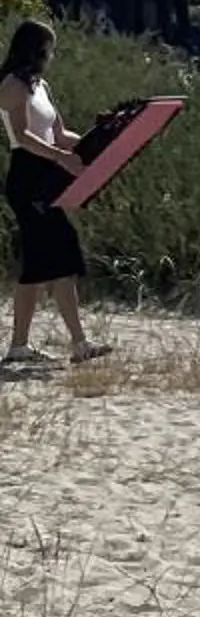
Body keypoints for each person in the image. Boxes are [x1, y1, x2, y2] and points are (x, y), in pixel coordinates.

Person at [1, 19, 110, 370]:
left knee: (36, 264)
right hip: (27, 176)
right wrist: (61, 158)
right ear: (36, 49)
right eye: (50, 48)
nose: (53, 55)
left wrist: (99, 140)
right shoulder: (12, 85)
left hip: (47, 173)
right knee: (63, 250)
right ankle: (79, 343)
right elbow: (23, 137)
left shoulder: (42, 86)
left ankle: (19, 346)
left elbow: (61, 135)